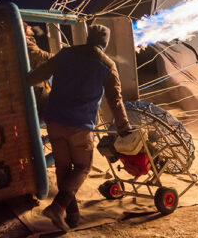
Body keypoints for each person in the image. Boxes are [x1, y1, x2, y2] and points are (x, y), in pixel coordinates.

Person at [27, 25, 132, 231]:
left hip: (55, 120)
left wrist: (24, 77)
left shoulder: (66, 54)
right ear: (105, 43)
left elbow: (35, 77)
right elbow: (115, 100)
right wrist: (124, 127)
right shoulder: (107, 64)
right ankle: (57, 208)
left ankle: (72, 216)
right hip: (79, 125)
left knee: (64, 168)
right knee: (83, 167)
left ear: (88, 37)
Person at [23, 23, 53, 116]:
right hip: (36, 80)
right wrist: (55, 56)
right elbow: (38, 54)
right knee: (45, 108)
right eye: (28, 26)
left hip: (38, 78)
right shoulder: (25, 42)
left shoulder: (28, 41)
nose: (31, 27)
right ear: (24, 29)